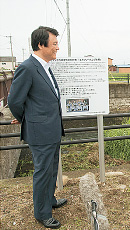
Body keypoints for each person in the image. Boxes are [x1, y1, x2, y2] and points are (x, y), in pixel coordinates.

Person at [8, 26, 66, 229]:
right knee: (42, 172)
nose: (57, 48)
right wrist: (26, 118)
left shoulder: (44, 66)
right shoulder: (28, 67)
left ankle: (49, 200)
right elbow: (14, 101)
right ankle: (42, 213)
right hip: (40, 132)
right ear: (41, 44)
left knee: (51, 170)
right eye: (55, 43)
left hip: (51, 130)